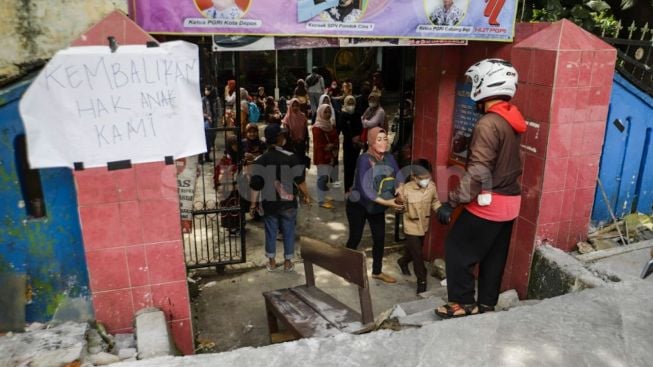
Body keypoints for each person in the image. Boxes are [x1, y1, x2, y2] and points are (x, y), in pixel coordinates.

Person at [435, 59, 525, 318]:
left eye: (476, 82)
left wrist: (452, 203)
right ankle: (486, 303)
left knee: (456, 248)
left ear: (487, 84)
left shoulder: (487, 123)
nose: (473, 87)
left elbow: (478, 171)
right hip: (510, 202)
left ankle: (463, 303)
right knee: (494, 255)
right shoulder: (509, 118)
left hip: (490, 202)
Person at [249, 124, 312, 272]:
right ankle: (288, 262)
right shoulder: (290, 158)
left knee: (271, 231)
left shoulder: (260, 160)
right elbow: (300, 181)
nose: (284, 138)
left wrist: (253, 205)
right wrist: (306, 196)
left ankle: (271, 262)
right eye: (282, 135)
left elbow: (255, 186)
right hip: (288, 203)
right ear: (278, 139)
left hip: (269, 203)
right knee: (289, 230)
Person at [346, 127, 405, 284]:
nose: (383, 142)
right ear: (371, 141)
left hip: (376, 207)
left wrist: (400, 191)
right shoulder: (364, 159)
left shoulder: (389, 158)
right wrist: (389, 203)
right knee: (355, 238)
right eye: (379, 139)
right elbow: (366, 191)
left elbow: (399, 176)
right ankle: (345, 267)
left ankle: (377, 271)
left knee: (379, 239)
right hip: (358, 205)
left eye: (385, 138)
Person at [397, 159, 443, 294]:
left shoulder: (432, 187)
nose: (426, 181)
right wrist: (398, 204)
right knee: (418, 255)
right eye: (422, 178)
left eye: (428, 177)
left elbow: (435, 202)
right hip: (410, 226)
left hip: (424, 225)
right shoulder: (406, 190)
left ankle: (403, 261)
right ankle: (421, 281)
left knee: (412, 252)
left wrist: (441, 211)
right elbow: (398, 208)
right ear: (414, 177)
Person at [312, 105, 339, 209]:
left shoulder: (331, 125)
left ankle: (323, 197)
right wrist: (328, 146)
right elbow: (318, 144)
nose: (328, 114)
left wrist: (333, 146)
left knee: (326, 177)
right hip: (321, 156)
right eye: (325, 112)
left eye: (329, 112)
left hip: (331, 155)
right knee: (322, 178)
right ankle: (320, 200)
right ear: (320, 113)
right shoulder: (317, 127)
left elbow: (336, 138)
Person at [340, 95, 363, 193]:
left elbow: (361, 127)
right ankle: (347, 189)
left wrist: (358, 137)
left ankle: (355, 188)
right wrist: (352, 138)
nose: (351, 105)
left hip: (357, 145)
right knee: (348, 167)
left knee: (355, 167)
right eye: (349, 103)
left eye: (352, 103)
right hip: (348, 144)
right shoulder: (343, 115)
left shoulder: (357, 114)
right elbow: (343, 129)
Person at [282, 98, 309, 171]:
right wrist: (293, 140)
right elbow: (285, 134)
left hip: (302, 144)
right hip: (292, 145)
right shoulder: (287, 119)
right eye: (293, 106)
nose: (295, 107)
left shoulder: (303, 116)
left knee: (301, 165)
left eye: (297, 105)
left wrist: (306, 143)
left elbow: (306, 130)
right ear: (290, 106)